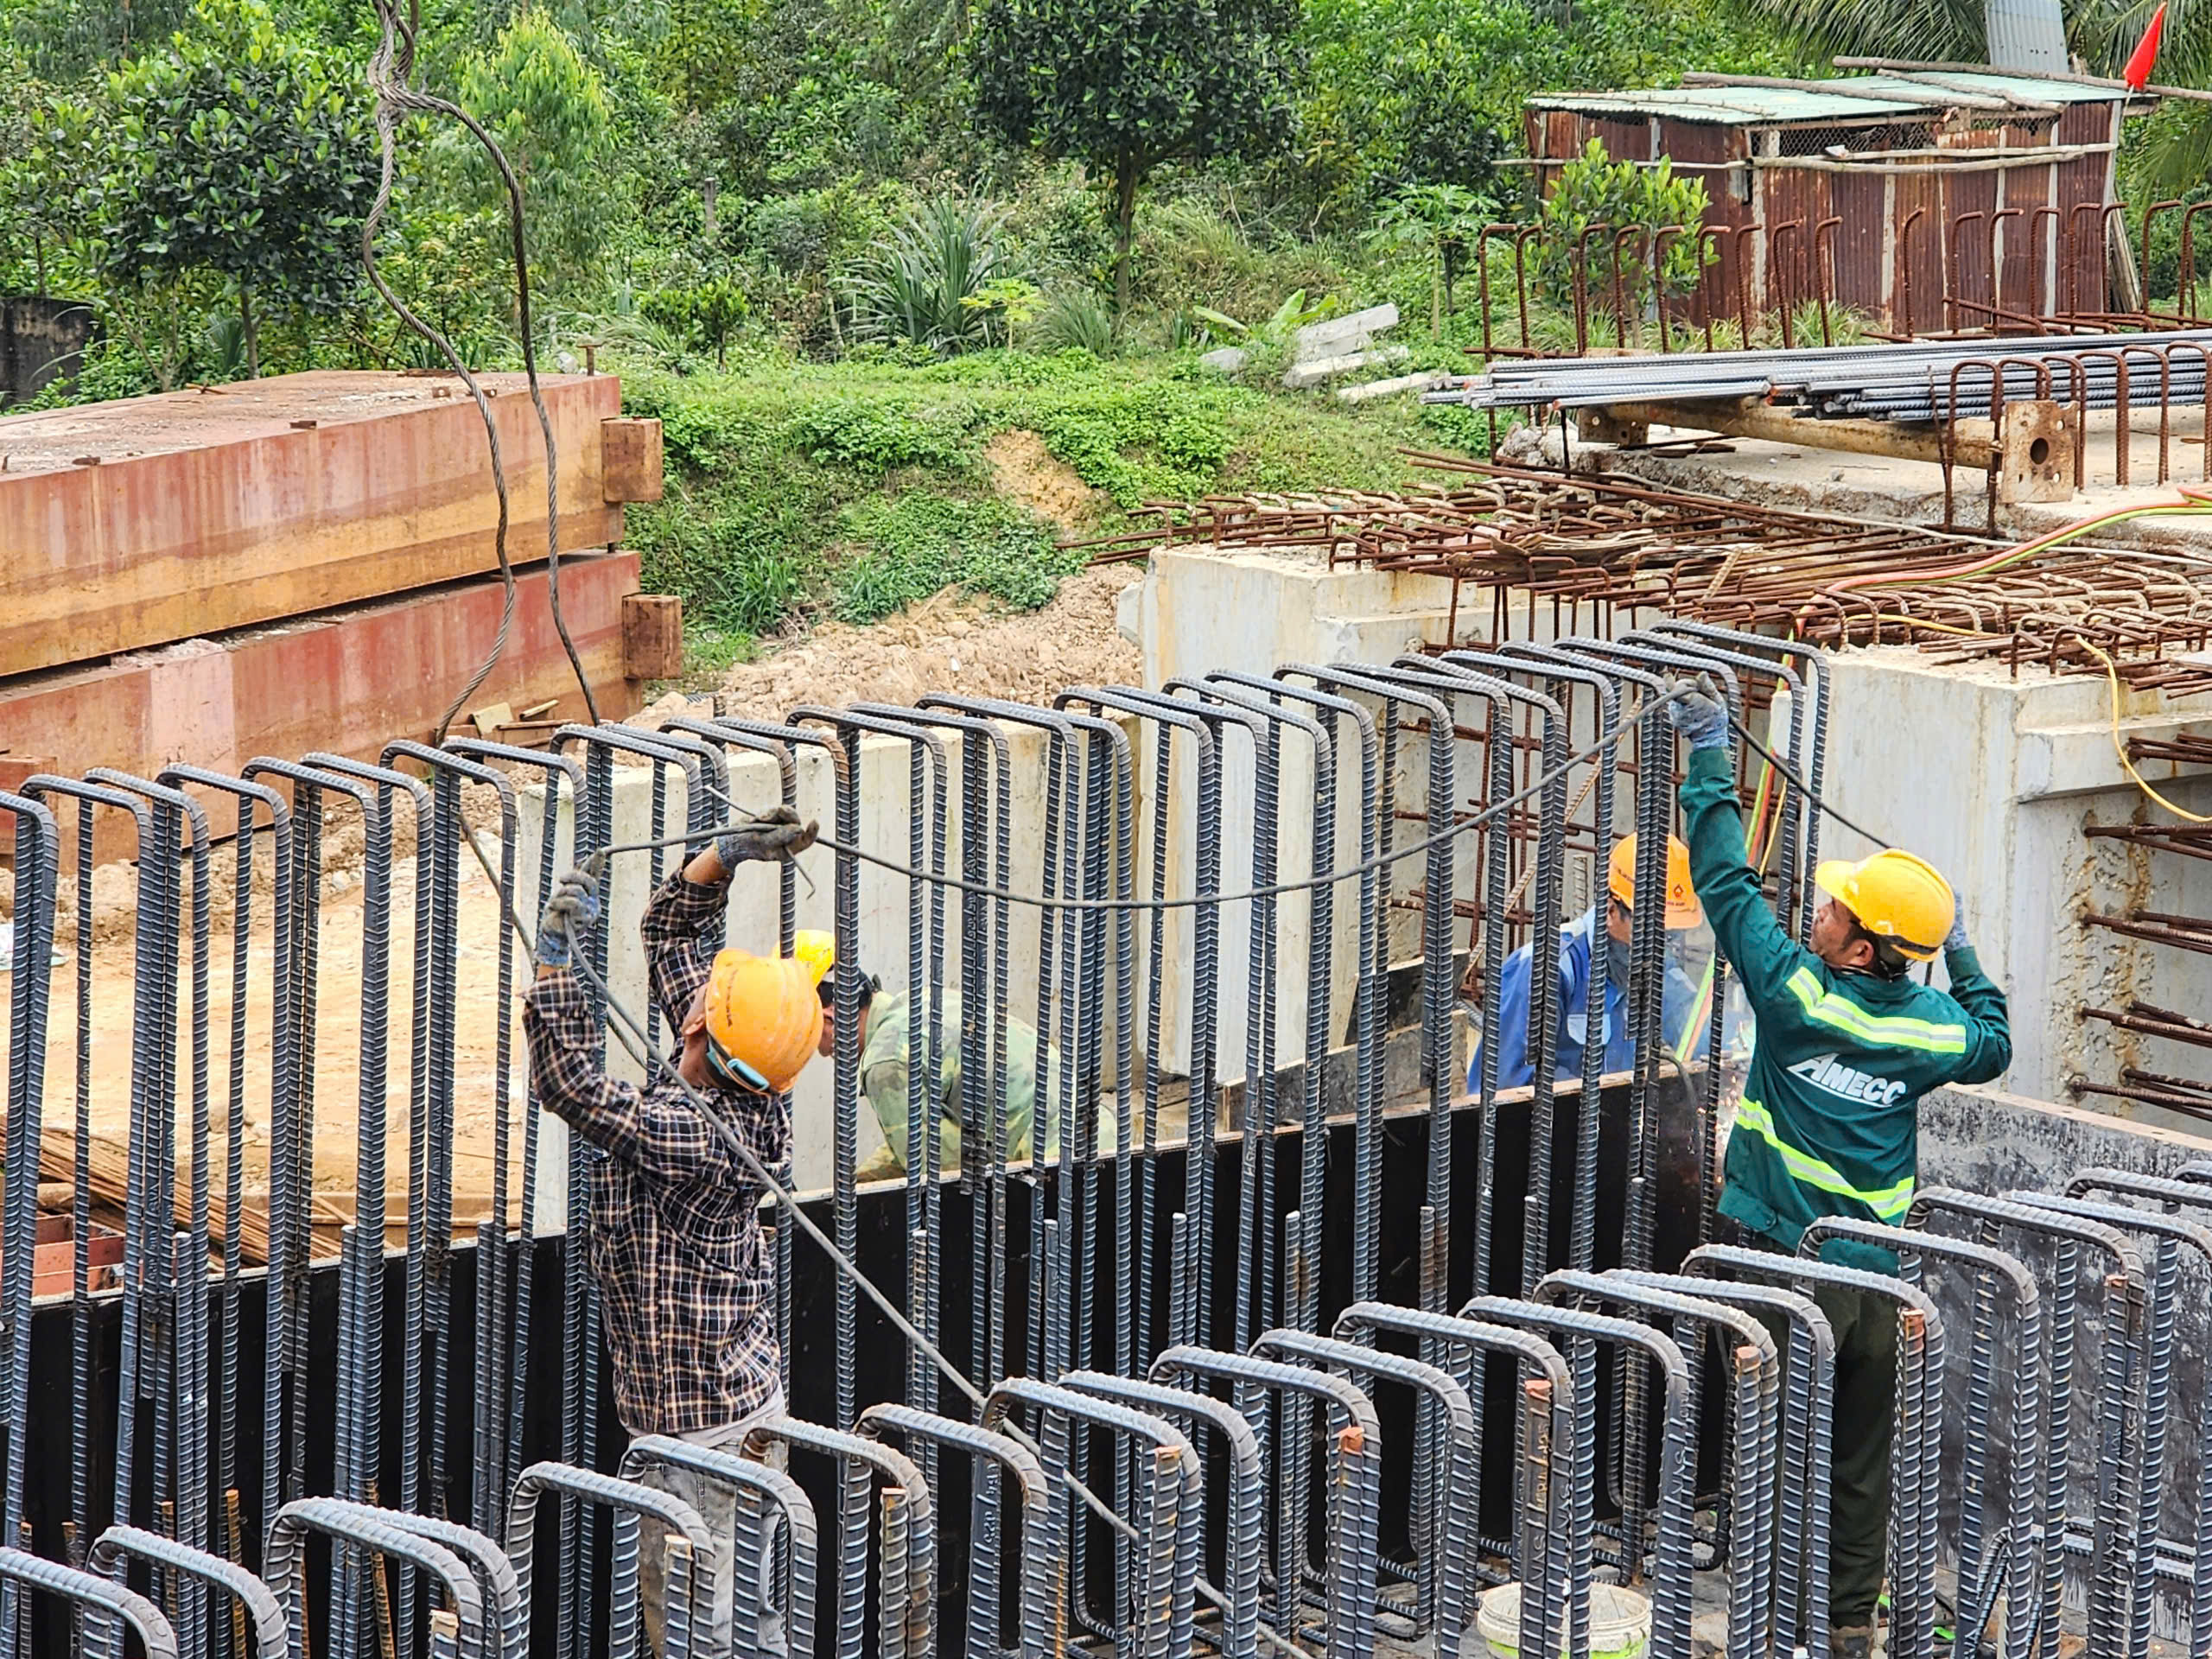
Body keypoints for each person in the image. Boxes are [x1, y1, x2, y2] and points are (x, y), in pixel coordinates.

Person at [1668, 681, 2010, 1659]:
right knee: (1858, 1461)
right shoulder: (1934, 1028)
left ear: (1858, 947)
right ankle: (1849, 1625)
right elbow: (1992, 1037)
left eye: (1832, 908)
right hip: (1877, 1279)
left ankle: (1765, 1627)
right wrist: (1965, 944)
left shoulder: (1794, 997)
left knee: (1769, 1445)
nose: (1814, 910)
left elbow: (1726, 884)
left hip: (1783, 1264)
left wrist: (1704, 751)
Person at [524, 805, 820, 1659]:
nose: (694, 994)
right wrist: (723, 858)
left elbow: (572, 1083)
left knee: (700, 1632)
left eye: (703, 998)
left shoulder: (699, 1135)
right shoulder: (746, 1063)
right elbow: (668, 935)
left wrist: (553, 963)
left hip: (704, 1439)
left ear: (699, 1026)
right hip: (738, 1406)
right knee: (754, 1621)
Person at [793, 931, 1113, 1180]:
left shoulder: (885, 1063)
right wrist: (857, 1184)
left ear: (829, 1014)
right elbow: (924, 1140)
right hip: (1101, 1136)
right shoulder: (919, 1004)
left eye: (804, 1029)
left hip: (1058, 1167)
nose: (818, 1051)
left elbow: (940, 1170)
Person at [1465, 833, 1731, 1091]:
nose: (1660, 945)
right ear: (1611, 911)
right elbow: (1503, 1091)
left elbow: (1704, 1036)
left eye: (1671, 933)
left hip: (1616, 1127)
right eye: (1650, 931)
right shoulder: (1548, 969)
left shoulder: (1658, 972)